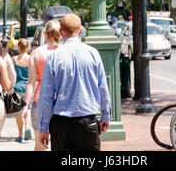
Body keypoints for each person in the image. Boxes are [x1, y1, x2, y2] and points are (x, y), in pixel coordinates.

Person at [38, 13, 111, 151]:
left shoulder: (54, 57)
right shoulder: (93, 53)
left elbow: (46, 95)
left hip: (61, 123)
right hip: (87, 120)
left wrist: (43, 127)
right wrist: (105, 115)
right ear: (80, 31)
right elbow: (102, 88)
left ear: (61, 32)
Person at [22, 20, 60, 151]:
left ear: (45, 33)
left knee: (40, 145)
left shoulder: (36, 53)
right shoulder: (64, 51)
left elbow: (31, 82)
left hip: (40, 101)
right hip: (62, 102)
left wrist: (25, 105)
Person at [13, 38, 30, 143]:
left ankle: (20, 135)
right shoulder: (31, 58)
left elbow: (12, 74)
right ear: (27, 47)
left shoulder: (14, 59)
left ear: (18, 47)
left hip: (18, 87)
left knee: (18, 112)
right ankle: (27, 126)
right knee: (27, 109)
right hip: (28, 87)